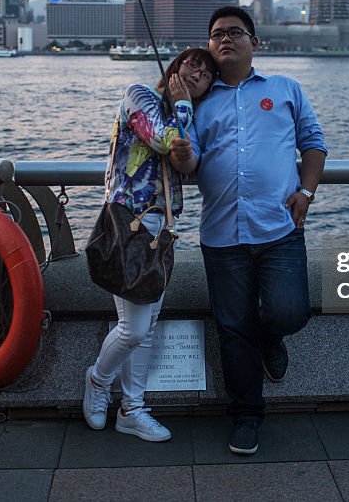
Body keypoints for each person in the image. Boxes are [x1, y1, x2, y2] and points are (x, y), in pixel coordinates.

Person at [188, 6, 327, 455]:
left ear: (255, 42)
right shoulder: (197, 103)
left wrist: (305, 193)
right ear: (208, 47)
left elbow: (314, 143)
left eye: (235, 32)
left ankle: (273, 336)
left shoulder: (285, 90)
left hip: (280, 228)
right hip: (222, 234)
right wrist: (178, 106)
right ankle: (247, 414)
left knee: (290, 312)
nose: (224, 39)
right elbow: (185, 161)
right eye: (216, 35)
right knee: (232, 328)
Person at [82, 48, 218, 441]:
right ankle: (97, 380)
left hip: (163, 225)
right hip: (129, 221)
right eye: (193, 63)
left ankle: (132, 408)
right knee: (134, 327)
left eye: (206, 73)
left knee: (148, 324)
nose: (197, 72)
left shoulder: (187, 115)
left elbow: (189, 162)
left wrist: (185, 117)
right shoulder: (138, 94)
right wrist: (182, 108)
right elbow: (163, 140)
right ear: (175, 65)